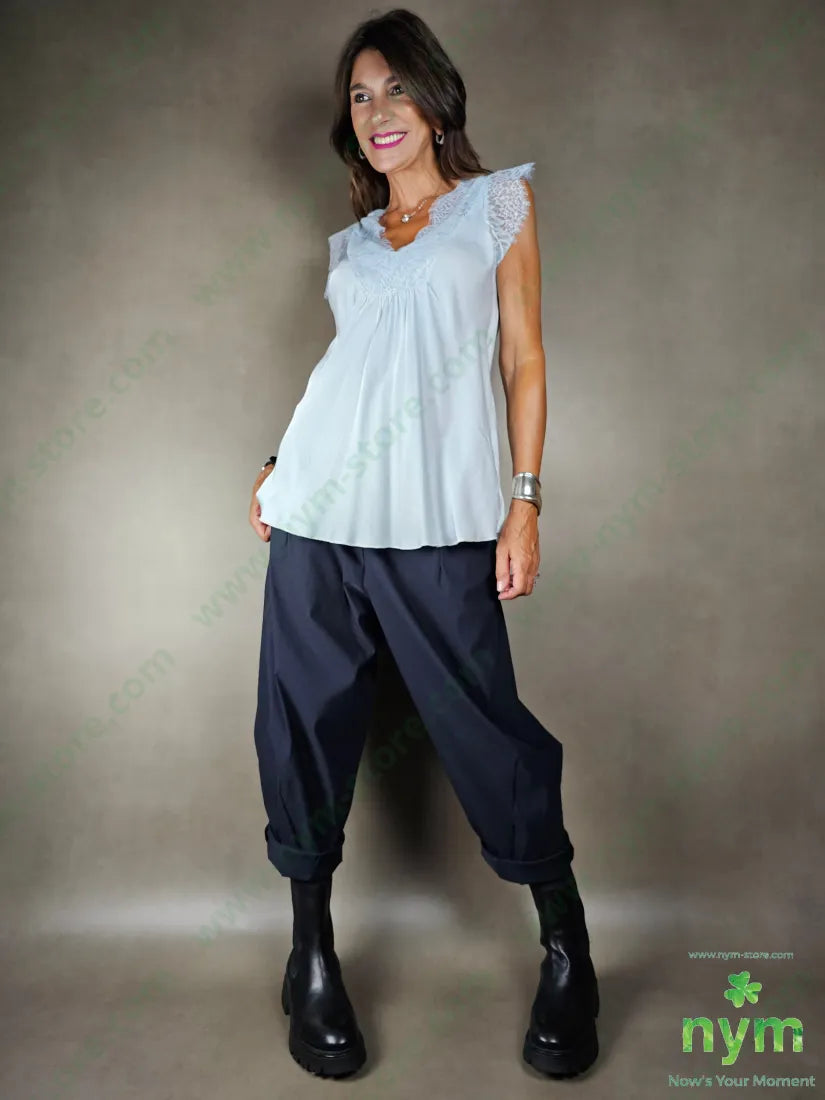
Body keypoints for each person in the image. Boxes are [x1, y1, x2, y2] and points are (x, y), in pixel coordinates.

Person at [248, 7, 599, 1083]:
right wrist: (281, 463)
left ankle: (566, 946)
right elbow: (351, 375)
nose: (378, 111)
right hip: (317, 518)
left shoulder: (498, 205)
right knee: (302, 727)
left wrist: (525, 500)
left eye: (395, 87)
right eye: (360, 96)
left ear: (436, 99)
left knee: (488, 730)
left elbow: (524, 358)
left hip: (440, 525)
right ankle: (311, 951)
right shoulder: (354, 243)